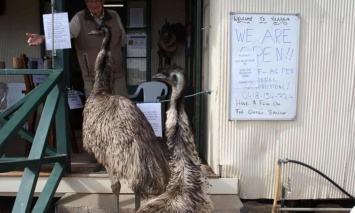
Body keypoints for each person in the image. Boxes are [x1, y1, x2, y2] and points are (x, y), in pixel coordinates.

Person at [26, 0, 129, 98]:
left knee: (121, 109)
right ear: (85, 2)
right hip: (92, 76)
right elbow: (63, 34)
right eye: (89, 1)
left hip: (116, 74)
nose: (93, 4)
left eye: (96, 1)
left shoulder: (114, 16)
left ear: (102, 1)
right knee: (95, 111)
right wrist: (43, 38)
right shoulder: (79, 18)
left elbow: (123, 40)